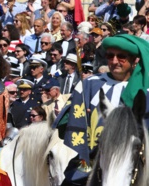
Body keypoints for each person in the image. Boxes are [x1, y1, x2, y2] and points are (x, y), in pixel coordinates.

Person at [54, 34, 149, 185]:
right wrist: (81, 118)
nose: (115, 61)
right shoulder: (90, 84)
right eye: (110, 56)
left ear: (134, 60)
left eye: (121, 57)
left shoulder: (145, 90)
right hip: (92, 159)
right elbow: (65, 124)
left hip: (132, 160)